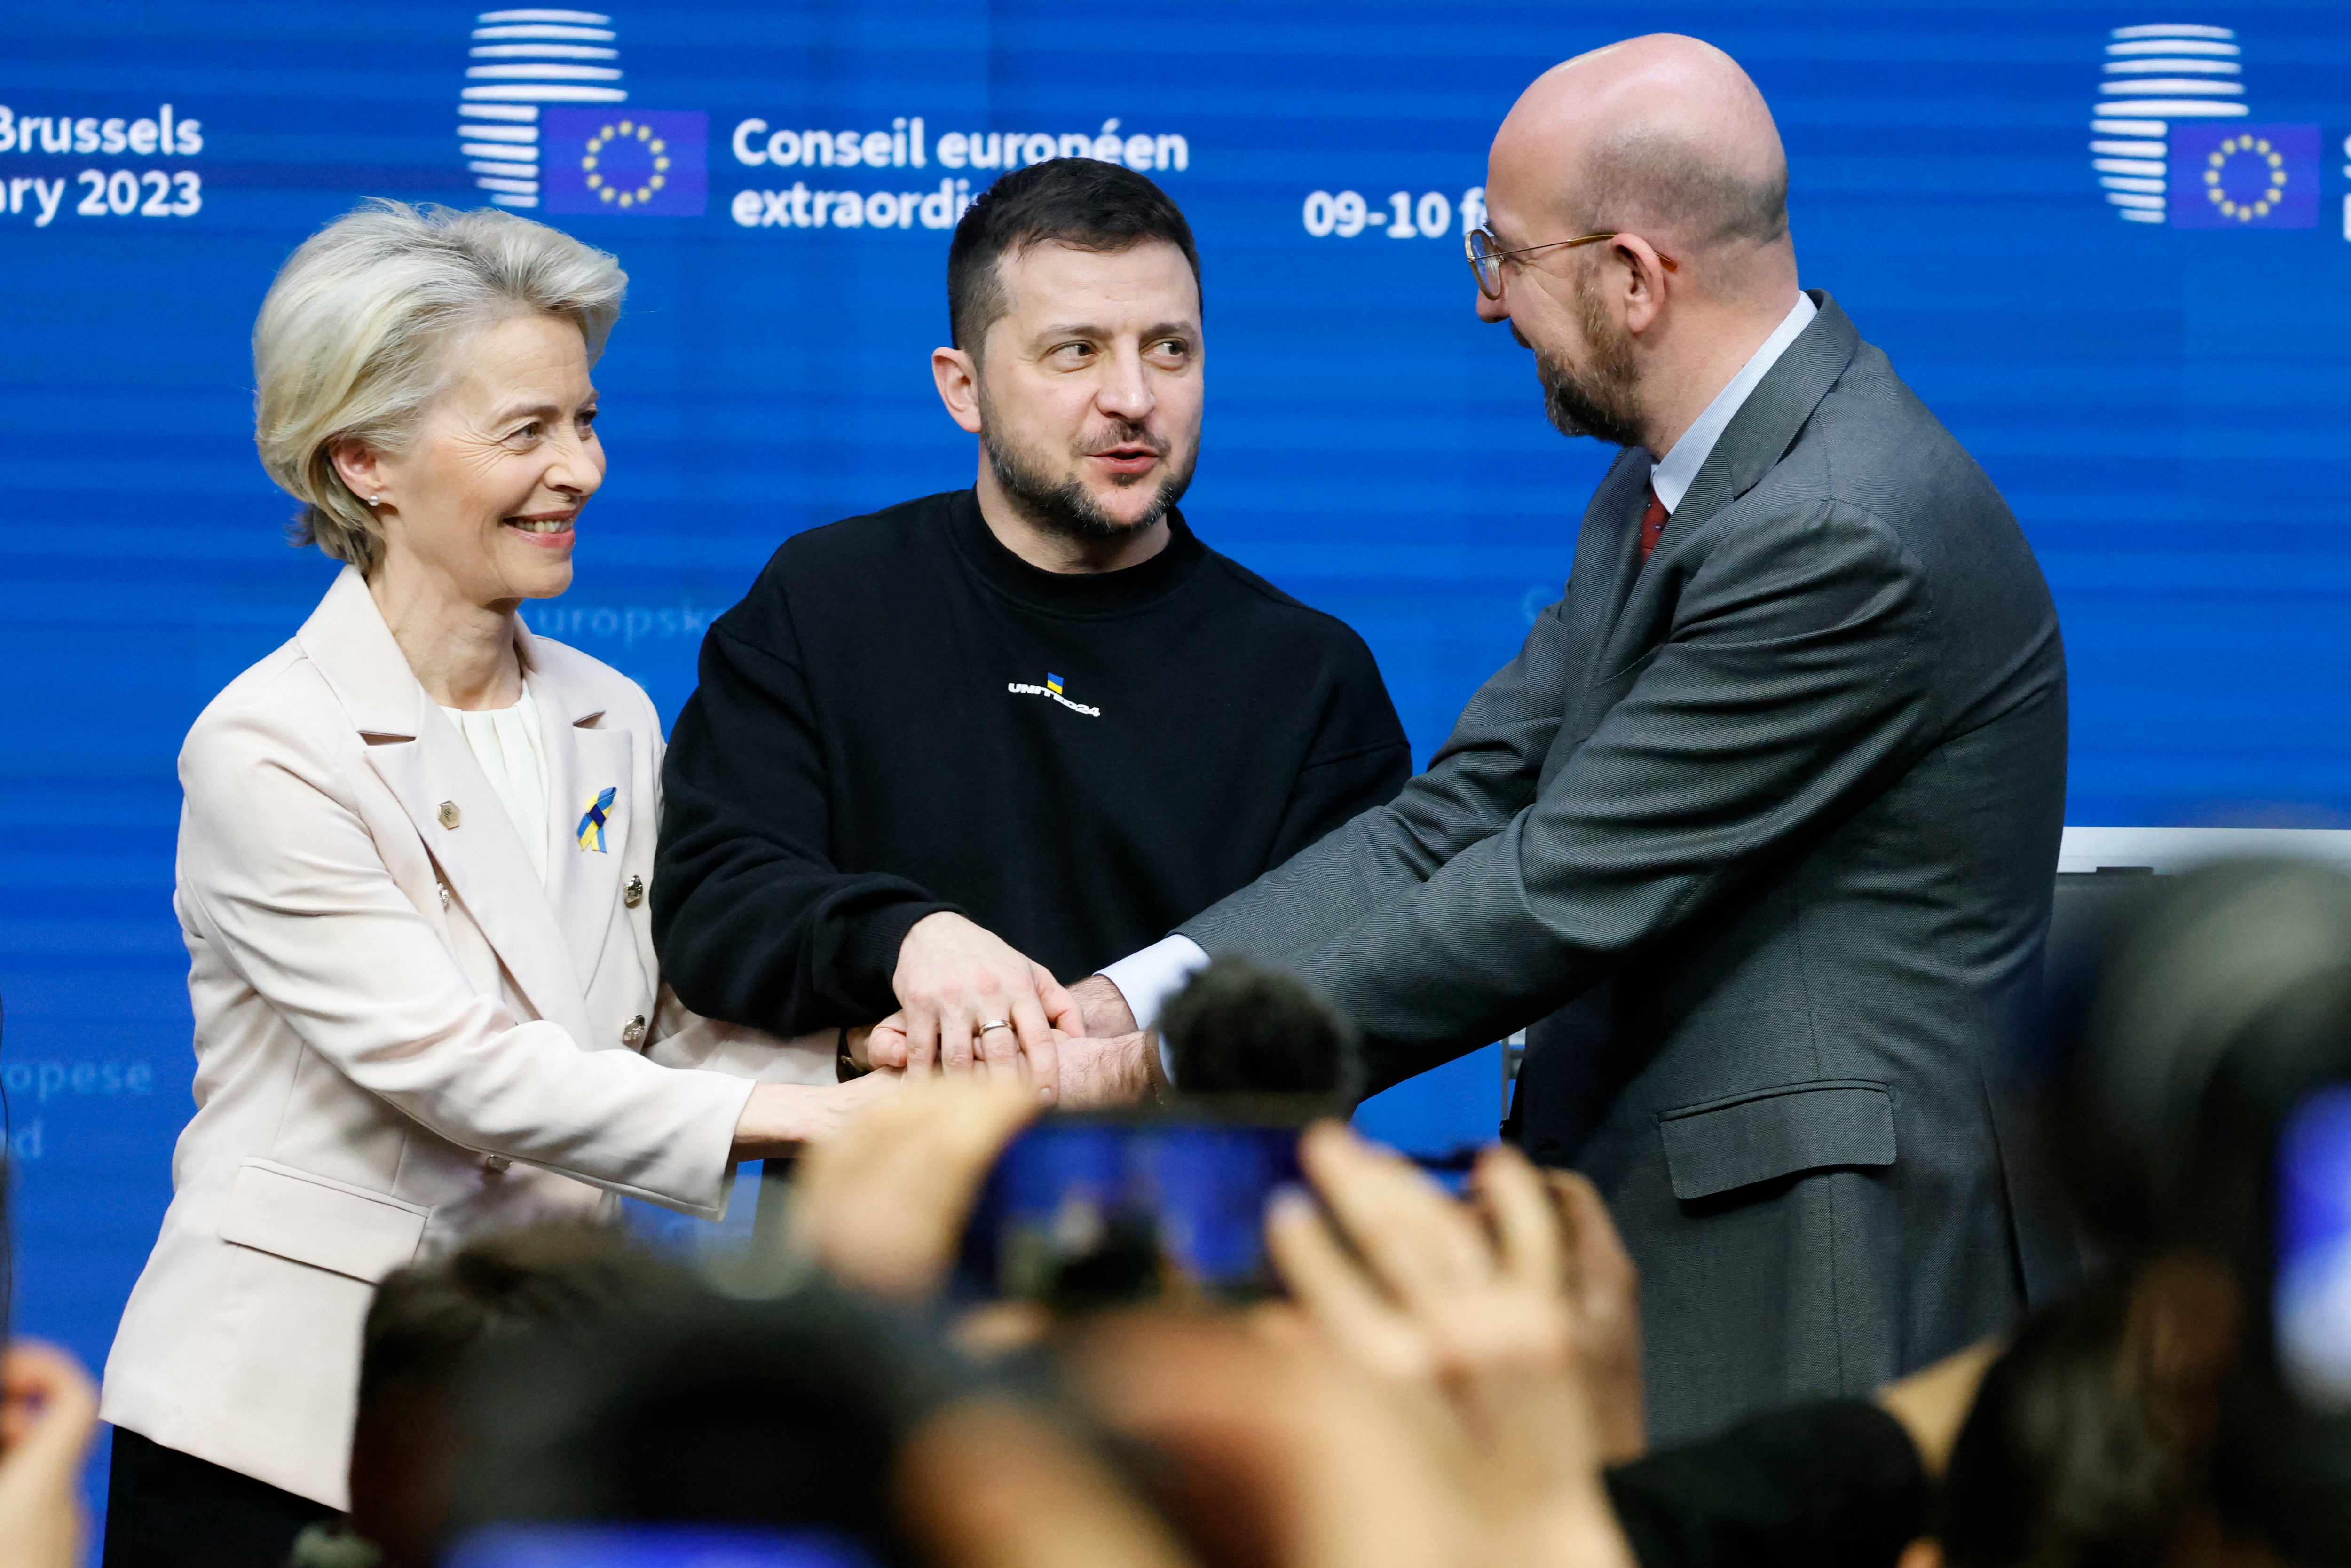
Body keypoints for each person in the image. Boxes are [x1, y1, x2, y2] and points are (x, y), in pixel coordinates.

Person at [1056, 34, 2071, 1445]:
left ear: (1634, 277)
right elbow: (1459, 814)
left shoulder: (1840, 527)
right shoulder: (1665, 484)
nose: (1486, 305)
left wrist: (1170, 1070)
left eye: (1503, 257)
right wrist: (1115, 1004)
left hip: (1813, 1275)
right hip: (1666, 1228)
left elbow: (1553, 884)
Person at [98, 200, 896, 1568]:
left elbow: (649, 1023)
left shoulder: (612, 713)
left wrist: (867, 1065)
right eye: (526, 432)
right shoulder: (268, 744)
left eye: (585, 422)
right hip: (273, 1428)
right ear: (366, 461)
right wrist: (813, 1128)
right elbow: (461, 1068)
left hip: (521, 1410)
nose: (579, 469)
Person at [652, 158, 1411, 1092]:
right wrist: (905, 938)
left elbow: (1345, 1002)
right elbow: (709, 906)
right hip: (873, 1214)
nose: (1133, 397)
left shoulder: (1309, 676)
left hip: (1188, 1223)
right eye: (1076, 351)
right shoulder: (825, 598)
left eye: (1169, 348)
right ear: (961, 386)